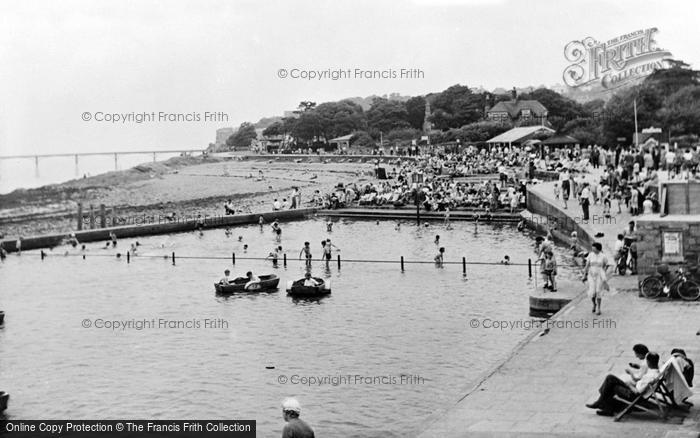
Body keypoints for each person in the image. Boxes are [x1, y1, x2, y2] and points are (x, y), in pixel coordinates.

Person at [586, 352, 661, 416]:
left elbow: (637, 392)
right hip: (636, 388)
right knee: (610, 383)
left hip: (633, 394)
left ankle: (601, 403)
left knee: (610, 380)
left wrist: (629, 385)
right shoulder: (655, 372)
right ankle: (605, 406)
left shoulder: (650, 376)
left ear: (648, 362)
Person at [583, 242, 609, 315]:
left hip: (599, 275)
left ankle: (599, 308)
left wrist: (603, 271)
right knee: (592, 292)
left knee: (598, 291)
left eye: (594, 248)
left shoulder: (603, 256)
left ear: (598, 249)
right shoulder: (590, 255)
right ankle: (594, 304)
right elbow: (587, 265)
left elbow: (606, 265)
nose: (592, 249)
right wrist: (584, 274)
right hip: (591, 275)